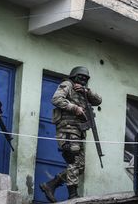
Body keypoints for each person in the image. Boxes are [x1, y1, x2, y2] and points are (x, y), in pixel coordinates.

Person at [40, 66, 102, 202]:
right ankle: (73, 196)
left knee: (80, 166)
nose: (83, 80)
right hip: (67, 130)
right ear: (74, 76)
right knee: (73, 161)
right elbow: (56, 99)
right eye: (81, 77)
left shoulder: (84, 91)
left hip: (79, 131)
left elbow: (98, 101)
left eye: (86, 78)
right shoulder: (67, 85)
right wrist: (74, 108)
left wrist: (87, 92)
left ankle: (51, 184)